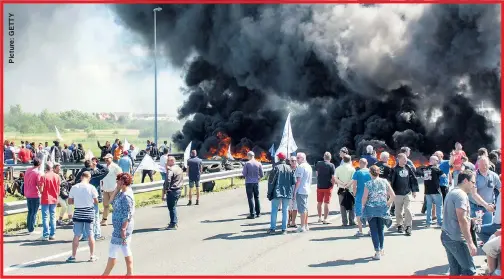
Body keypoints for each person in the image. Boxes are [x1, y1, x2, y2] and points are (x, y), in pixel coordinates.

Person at [441, 169, 478, 276]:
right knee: (469, 270)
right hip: (456, 239)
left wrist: (470, 219)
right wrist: (470, 243)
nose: (474, 186)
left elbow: (454, 215)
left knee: (455, 271)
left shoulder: (452, 192)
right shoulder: (461, 195)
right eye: (473, 182)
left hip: (447, 235)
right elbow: (462, 220)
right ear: (466, 181)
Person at [102, 173, 136, 276]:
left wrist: (123, 229)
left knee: (113, 249)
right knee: (125, 248)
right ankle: (130, 274)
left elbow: (127, 214)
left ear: (124, 182)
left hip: (122, 227)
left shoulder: (126, 196)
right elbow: (110, 201)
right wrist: (117, 189)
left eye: (118, 180)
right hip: (120, 226)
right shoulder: (122, 192)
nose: (116, 182)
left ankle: (105, 275)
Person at [361, 165, 395, 260]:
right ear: (379, 172)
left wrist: (363, 206)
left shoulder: (368, 184)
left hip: (371, 209)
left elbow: (364, 198)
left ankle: (377, 251)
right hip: (382, 209)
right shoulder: (384, 182)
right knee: (381, 229)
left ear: (370, 173)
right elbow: (393, 195)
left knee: (373, 230)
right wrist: (388, 204)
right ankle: (382, 249)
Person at [66, 171, 99, 263]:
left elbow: (70, 202)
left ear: (81, 177)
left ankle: (73, 256)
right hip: (88, 211)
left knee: (77, 234)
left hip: (78, 211)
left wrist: (77, 201)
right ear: (89, 178)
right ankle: (92, 255)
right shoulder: (91, 187)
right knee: (90, 234)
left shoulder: (74, 187)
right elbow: (96, 201)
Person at [390, 153, 419, 236]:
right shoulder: (394, 170)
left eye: (406, 159)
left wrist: (414, 190)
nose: (406, 160)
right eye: (404, 159)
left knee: (408, 209)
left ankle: (408, 227)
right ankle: (399, 225)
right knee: (398, 211)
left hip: (407, 193)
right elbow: (391, 182)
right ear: (399, 159)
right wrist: (391, 193)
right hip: (397, 194)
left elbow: (413, 179)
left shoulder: (408, 168)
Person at [267, 152, 295, 234]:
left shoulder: (276, 168)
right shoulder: (290, 169)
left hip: (277, 192)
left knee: (274, 210)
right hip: (287, 192)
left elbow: (271, 182)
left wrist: (269, 193)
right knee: (285, 210)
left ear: (278, 158)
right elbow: (294, 182)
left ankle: (272, 229)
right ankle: (284, 229)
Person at [469, 157, 500, 225]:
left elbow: (500, 189)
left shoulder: (494, 176)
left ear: (489, 164)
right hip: (476, 208)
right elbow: (474, 194)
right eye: (482, 164)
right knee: (476, 229)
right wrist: (486, 205)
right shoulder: (473, 176)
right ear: (478, 165)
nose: (484, 166)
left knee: (486, 230)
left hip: (489, 209)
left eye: (486, 164)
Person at [420, 156, 446, 228]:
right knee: (439, 206)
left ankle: (428, 222)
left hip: (427, 191)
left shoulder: (425, 169)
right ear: (433, 161)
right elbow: (444, 175)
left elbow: (422, 177)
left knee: (429, 207)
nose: (438, 162)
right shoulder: (436, 168)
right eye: (437, 160)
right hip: (436, 190)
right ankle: (439, 222)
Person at [38, 163, 61, 241]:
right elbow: (58, 189)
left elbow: (41, 189)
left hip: (45, 198)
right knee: (53, 216)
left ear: (45, 168)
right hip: (54, 198)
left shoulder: (43, 177)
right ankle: (52, 234)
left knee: (45, 217)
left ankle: (45, 235)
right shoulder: (57, 176)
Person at [351, 158, 371, 236]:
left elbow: (354, 186)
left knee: (359, 213)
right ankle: (370, 230)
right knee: (370, 212)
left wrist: (355, 194)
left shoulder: (358, 173)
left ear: (360, 163)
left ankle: (360, 231)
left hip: (360, 195)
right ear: (367, 163)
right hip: (369, 195)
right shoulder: (370, 172)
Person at [162, 156, 184, 230]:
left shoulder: (171, 170)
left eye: (168, 161)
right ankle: (174, 221)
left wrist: (165, 192)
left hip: (172, 190)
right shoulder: (179, 168)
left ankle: (173, 223)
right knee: (173, 207)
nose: (166, 162)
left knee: (171, 207)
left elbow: (168, 181)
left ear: (171, 161)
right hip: (179, 189)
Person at [101, 154, 123, 226]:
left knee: (115, 205)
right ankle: (104, 220)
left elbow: (121, 177)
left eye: (108, 158)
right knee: (105, 205)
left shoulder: (116, 167)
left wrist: (119, 188)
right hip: (105, 189)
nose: (106, 159)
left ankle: (118, 219)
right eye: (105, 158)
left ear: (111, 158)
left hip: (114, 189)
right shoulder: (104, 167)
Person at [293, 152, 312, 233]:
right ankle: (306, 225)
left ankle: (302, 226)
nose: (296, 159)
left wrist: (294, 192)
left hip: (301, 190)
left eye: (298, 158)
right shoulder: (309, 166)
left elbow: (298, 181)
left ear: (303, 158)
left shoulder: (301, 167)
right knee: (305, 208)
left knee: (302, 209)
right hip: (307, 189)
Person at [242, 151, 264, 219]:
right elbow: (262, 174)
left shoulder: (247, 164)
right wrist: (258, 179)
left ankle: (252, 214)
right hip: (256, 182)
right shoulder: (259, 163)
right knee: (257, 197)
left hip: (248, 182)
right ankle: (258, 213)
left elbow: (244, 174)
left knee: (250, 198)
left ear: (249, 156)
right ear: (254, 156)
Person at [335, 155, 356, 226]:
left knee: (342, 205)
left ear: (343, 160)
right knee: (352, 205)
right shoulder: (352, 169)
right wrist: (347, 185)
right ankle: (351, 221)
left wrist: (342, 184)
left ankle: (344, 222)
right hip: (350, 189)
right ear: (350, 160)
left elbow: (335, 178)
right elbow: (353, 179)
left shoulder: (338, 168)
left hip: (341, 189)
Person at [315, 152, 336, 224]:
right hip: (328, 186)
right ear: (330, 158)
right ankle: (325, 219)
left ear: (324, 157)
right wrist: (332, 185)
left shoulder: (318, 163)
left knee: (319, 202)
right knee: (326, 203)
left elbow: (317, 174)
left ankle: (319, 217)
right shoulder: (331, 165)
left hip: (319, 186)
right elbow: (333, 178)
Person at [24, 158, 42, 233]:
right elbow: (39, 184)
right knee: (34, 212)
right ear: (39, 164)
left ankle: (29, 227)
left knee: (30, 211)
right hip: (34, 194)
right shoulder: (37, 173)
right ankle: (31, 229)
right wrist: (41, 192)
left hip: (27, 193)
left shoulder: (28, 170)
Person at [288, 156, 298, 228]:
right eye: (292, 160)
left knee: (295, 207)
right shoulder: (287, 169)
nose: (294, 162)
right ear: (289, 162)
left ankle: (293, 221)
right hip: (289, 190)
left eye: (295, 160)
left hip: (297, 190)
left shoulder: (299, 169)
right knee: (289, 207)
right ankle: (289, 220)